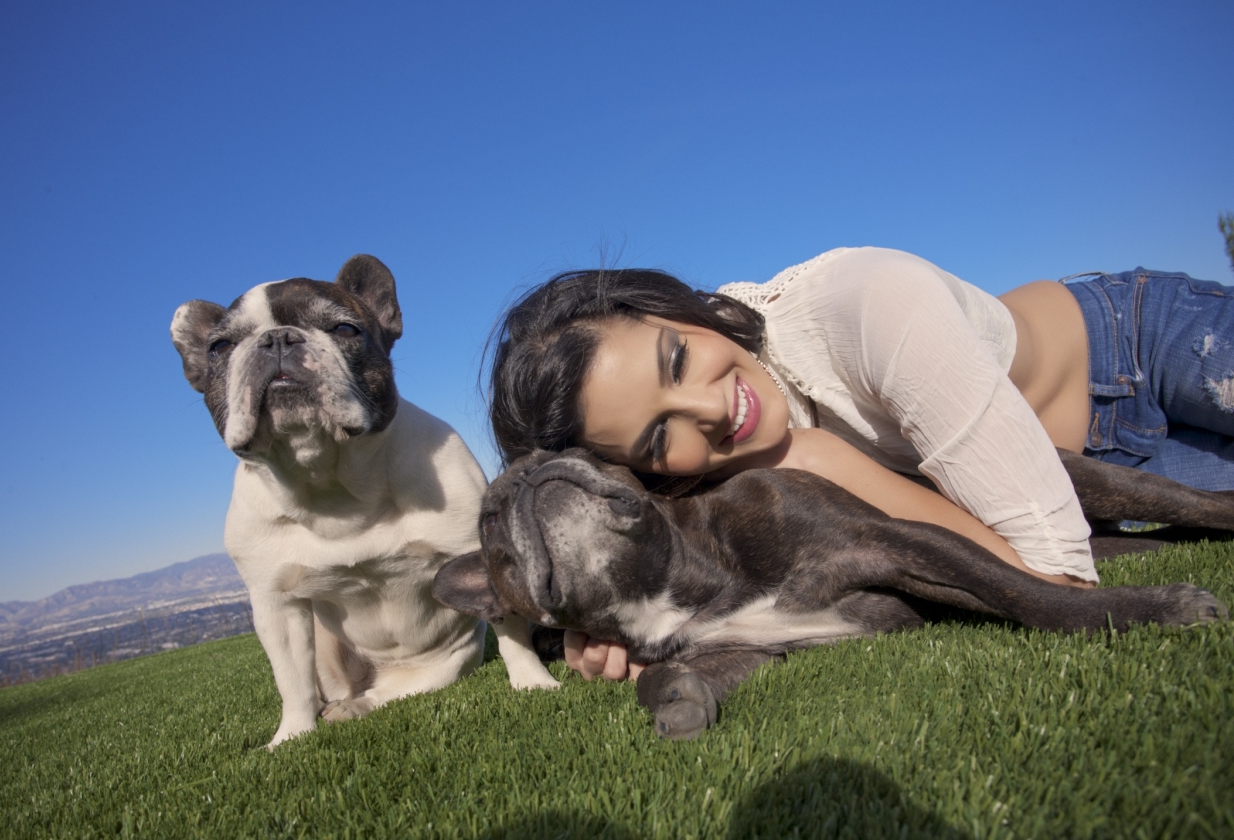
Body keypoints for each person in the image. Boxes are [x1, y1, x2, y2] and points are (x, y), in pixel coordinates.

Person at [487, 247, 1234, 681]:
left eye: (676, 358)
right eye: (657, 438)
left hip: (1137, 345)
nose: (708, 408)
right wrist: (621, 619)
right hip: (1120, 476)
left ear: (673, 308)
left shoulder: (868, 305)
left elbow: (1056, 577)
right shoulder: (712, 480)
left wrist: (816, 455)